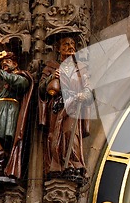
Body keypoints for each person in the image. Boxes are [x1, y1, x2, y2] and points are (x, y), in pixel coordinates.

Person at [39, 34, 92, 181]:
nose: (70, 47)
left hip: (74, 104)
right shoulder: (51, 67)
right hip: (57, 106)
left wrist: (84, 94)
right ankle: (56, 165)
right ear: (58, 48)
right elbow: (42, 89)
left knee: (70, 133)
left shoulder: (80, 68)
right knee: (54, 135)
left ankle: (72, 164)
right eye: (66, 44)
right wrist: (51, 77)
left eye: (72, 44)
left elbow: (88, 88)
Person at [0, 51, 33, 178]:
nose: (4, 65)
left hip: (10, 111)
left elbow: (22, 84)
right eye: (2, 65)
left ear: (15, 63)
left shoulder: (21, 76)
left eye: (7, 62)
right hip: (2, 110)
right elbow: (2, 101)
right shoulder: (7, 84)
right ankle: (1, 168)